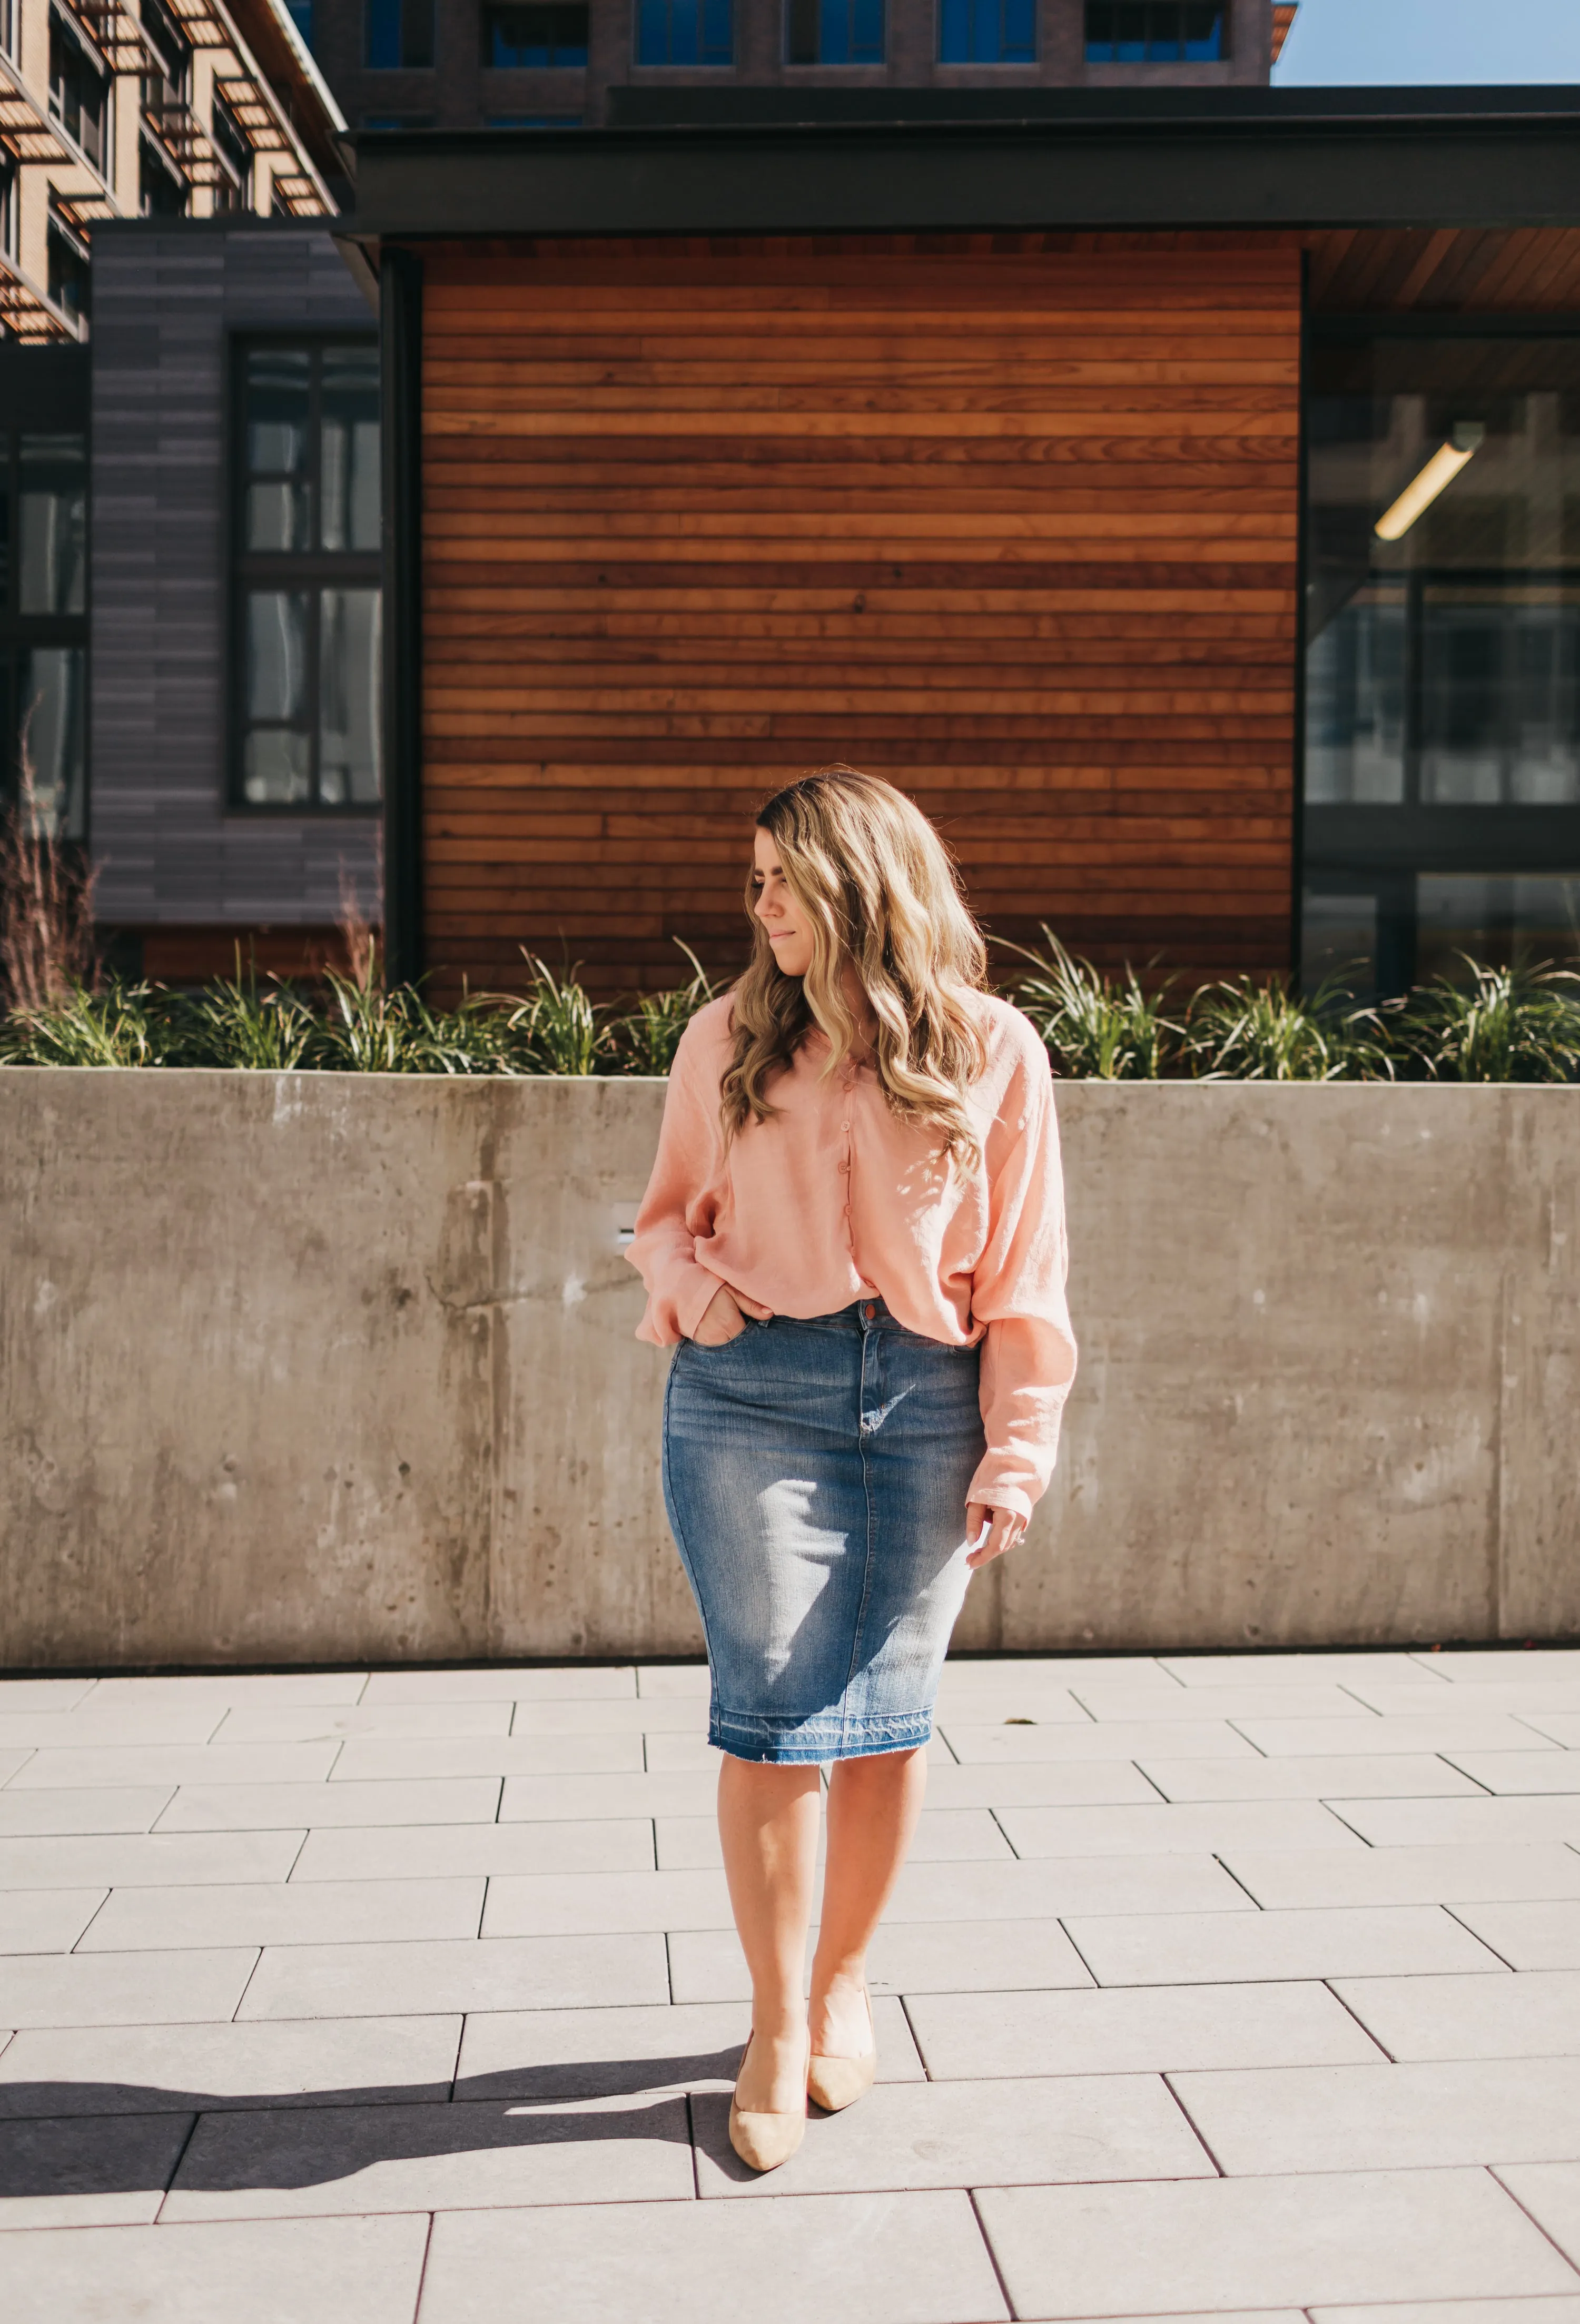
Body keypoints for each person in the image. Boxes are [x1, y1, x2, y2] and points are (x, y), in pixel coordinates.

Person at [628, 766, 1077, 2172]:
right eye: (753, 880)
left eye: (782, 880)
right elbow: (661, 1222)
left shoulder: (995, 1049)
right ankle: (771, 2025)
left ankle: (839, 1985)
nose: (759, 906)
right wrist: (701, 1305)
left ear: (860, 884)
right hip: (752, 1395)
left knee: (887, 1716)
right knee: (769, 1709)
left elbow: (1027, 1275)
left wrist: (1018, 1446)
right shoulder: (727, 1041)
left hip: (930, 1399)